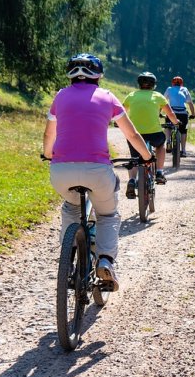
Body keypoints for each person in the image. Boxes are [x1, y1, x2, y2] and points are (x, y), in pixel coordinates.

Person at [43, 54, 154, 292]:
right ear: (99, 76)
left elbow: (48, 136)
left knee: (71, 208)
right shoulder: (107, 97)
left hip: (61, 171)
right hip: (97, 170)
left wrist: (48, 154)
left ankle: (69, 258)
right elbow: (132, 135)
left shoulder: (60, 96)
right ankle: (105, 261)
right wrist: (147, 157)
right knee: (107, 215)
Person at [123, 72, 180, 197]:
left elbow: (123, 113)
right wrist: (176, 122)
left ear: (139, 84)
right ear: (153, 85)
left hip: (136, 134)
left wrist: (118, 124)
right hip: (154, 134)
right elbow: (170, 114)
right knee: (160, 145)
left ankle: (132, 180)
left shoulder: (131, 96)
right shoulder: (158, 96)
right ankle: (159, 172)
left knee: (134, 157)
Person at [163, 76, 195, 157]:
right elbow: (190, 103)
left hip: (172, 112)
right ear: (182, 84)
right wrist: (193, 114)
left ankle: (168, 141)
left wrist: (159, 113)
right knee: (183, 131)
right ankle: (184, 150)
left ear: (172, 83)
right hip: (183, 113)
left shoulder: (169, 89)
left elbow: (163, 101)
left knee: (168, 126)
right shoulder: (185, 89)